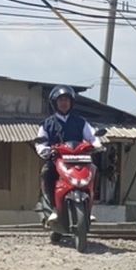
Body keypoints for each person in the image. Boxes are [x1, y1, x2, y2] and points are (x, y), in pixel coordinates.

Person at [35, 85, 101, 221]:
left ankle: (89, 208)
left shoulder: (81, 122)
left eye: (66, 100)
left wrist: (97, 145)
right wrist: (45, 150)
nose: (64, 103)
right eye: (60, 100)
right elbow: (41, 141)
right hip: (57, 160)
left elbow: (93, 136)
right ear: (55, 103)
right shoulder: (47, 124)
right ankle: (53, 208)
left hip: (80, 159)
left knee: (94, 170)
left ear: (71, 103)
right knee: (47, 172)